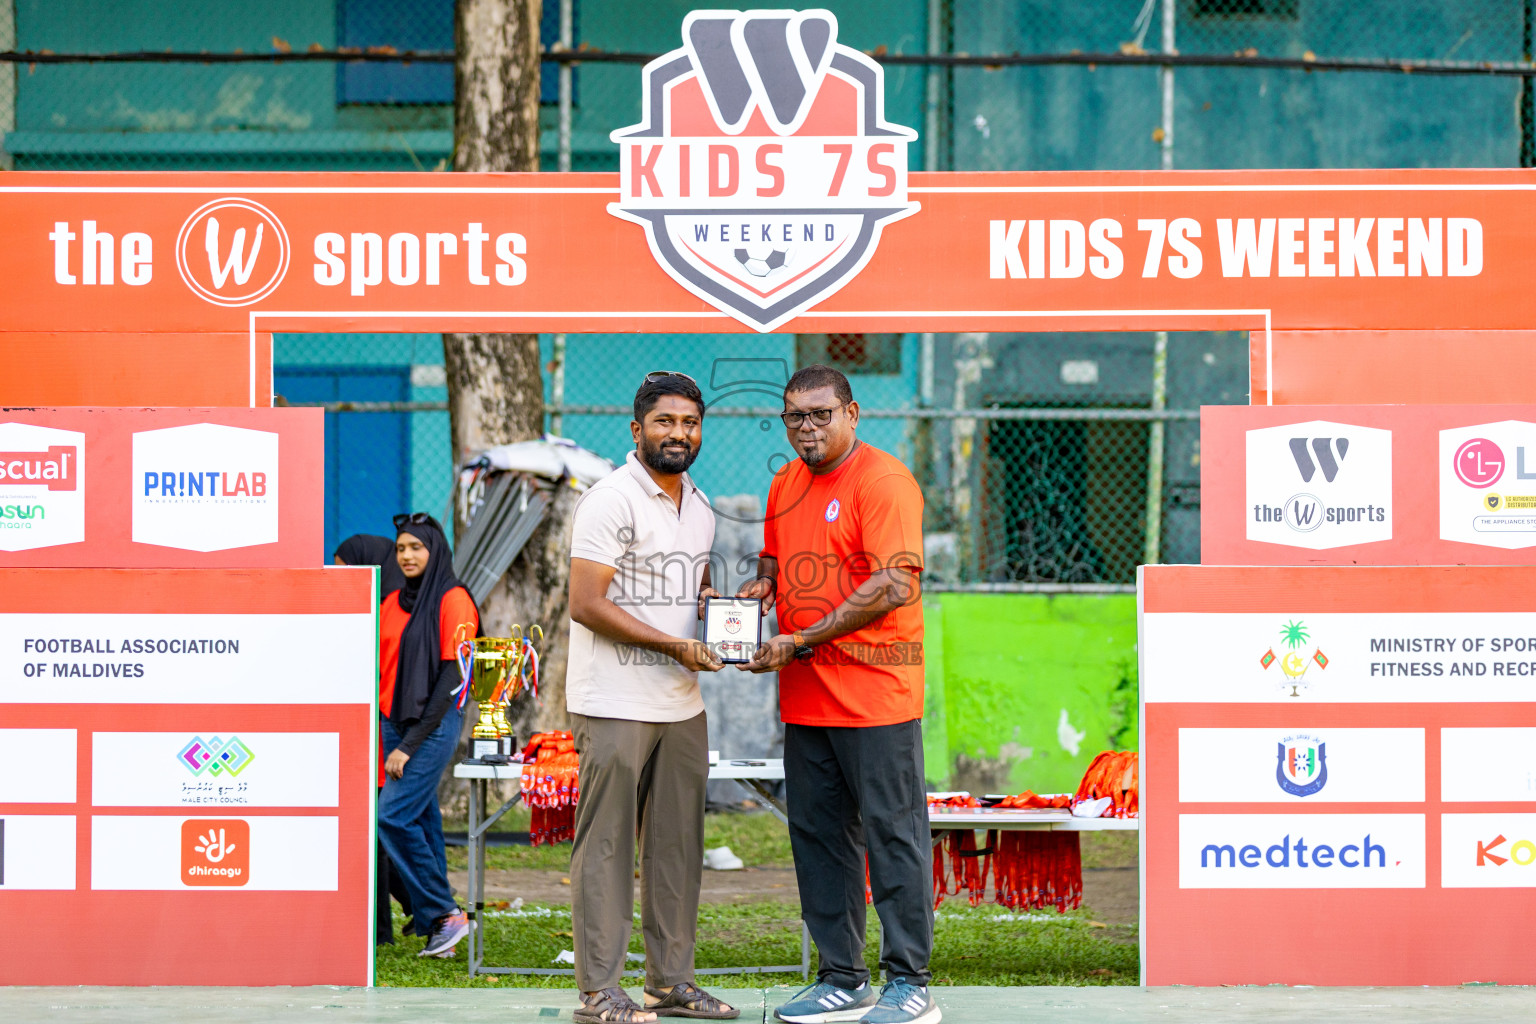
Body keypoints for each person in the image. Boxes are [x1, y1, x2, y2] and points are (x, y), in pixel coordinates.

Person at [736, 365, 937, 1024]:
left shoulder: (883, 480)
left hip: (876, 694)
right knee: (819, 839)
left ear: (852, 414)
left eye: (821, 414)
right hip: (806, 698)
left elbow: (894, 584)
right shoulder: (786, 482)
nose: (808, 428)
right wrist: (764, 587)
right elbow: (775, 554)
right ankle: (843, 978)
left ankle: (910, 983)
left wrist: (801, 637)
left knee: (893, 837)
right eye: (795, 416)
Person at [565, 371, 737, 1024]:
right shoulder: (610, 499)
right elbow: (586, 603)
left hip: (682, 704)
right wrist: (674, 646)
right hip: (614, 700)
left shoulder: (700, 505)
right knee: (606, 848)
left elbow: (685, 594)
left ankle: (670, 983)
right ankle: (599, 993)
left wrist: (722, 617)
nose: (679, 433)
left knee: (677, 851)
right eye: (665, 421)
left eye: (690, 423)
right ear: (637, 429)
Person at [376, 513, 479, 959]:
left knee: (392, 816)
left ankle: (443, 912)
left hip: (432, 726)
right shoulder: (391, 601)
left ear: (434, 551)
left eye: (416, 547)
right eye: (401, 548)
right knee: (420, 818)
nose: (407, 555)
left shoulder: (454, 599)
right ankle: (437, 928)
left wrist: (407, 746)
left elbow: (452, 681)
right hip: (390, 720)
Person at [335, 533, 416, 947]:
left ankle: (385, 929)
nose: (339, 577)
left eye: (345, 568)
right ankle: (420, 908)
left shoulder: (392, 611)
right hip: (369, 729)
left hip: (385, 732)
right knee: (376, 830)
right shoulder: (376, 608)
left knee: (378, 831)